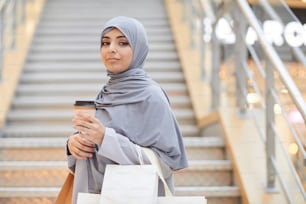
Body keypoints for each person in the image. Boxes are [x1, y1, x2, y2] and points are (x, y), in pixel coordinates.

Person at [66, 16, 188, 204]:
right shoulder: (105, 93)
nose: (111, 49)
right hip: (92, 195)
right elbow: (96, 150)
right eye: (105, 43)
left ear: (138, 48)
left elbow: (166, 163)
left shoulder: (151, 96)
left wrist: (106, 138)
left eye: (122, 42)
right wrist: (74, 144)